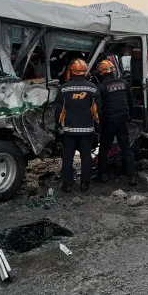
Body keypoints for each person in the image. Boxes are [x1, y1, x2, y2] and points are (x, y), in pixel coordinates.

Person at [54, 58, 101, 193]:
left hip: (69, 131)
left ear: (72, 72)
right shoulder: (92, 88)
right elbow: (96, 110)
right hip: (87, 131)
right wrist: (97, 126)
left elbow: (59, 110)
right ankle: (85, 184)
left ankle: (67, 184)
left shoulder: (64, 88)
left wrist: (58, 126)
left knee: (68, 157)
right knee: (86, 158)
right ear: (85, 72)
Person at [93, 59, 137, 186]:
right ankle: (132, 175)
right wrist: (130, 117)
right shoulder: (124, 83)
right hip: (123, 120)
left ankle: (102, 174)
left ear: (101, 73)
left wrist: (98, 124)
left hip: (109, 122)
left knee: (104, 149)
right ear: (113, 70)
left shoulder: (101, 87)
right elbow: (130, 102)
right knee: (126, 148)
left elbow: (98, 108)